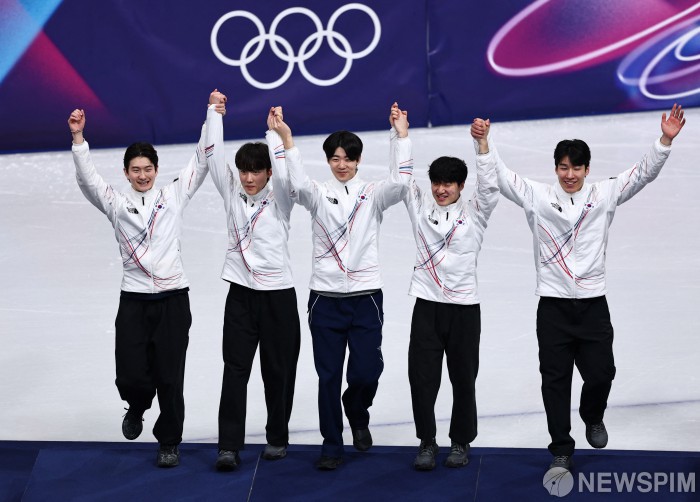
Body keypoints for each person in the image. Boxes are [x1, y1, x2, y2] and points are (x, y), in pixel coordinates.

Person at [471, 104, 686, 471]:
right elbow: (501, 177)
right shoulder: (538, 196)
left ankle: (592, 415)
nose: (569, 175)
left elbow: (641, 174)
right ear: (555, 168)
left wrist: (664, 141)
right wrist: (483, 144)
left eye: (576, 168)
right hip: (553, 307)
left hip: (592, 305)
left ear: (587, 169)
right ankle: (561, 447)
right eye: (563, 167)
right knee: (554, 382)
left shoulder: (604, 194)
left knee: (602, 374)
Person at [67, 93, 224, 467]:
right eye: (135, 170)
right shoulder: (116, 203)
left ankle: (169, 441)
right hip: (134, 301)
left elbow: (201, 160)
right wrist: (78, 139)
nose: (142, 175)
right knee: (130, 375)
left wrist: (212, 115)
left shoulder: (173, 195)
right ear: (125, 173)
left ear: (156, 169)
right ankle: (137, 406)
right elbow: (88, 181)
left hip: (172, 299)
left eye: (148, 169)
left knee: (170, 377)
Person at [267, 106, 406, 470]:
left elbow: (401, 183)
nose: (341, 165)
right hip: (325, 301)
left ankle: (357, 412)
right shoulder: (317, 193)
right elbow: (296, 184)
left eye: (348, 159)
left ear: (358, 161)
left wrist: (400, 136)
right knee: (328, 377)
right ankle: (332, 443)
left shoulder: (373, 193)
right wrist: (285, 139)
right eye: (335, 159)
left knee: (366, 372)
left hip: (365, 299)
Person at [389, 104, 499, 470]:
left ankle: (460, 441)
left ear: (461, 186)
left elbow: (490, 185)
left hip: (464, 309)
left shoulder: (475, 213)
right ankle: (426, 440)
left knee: (463, 379)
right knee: (421, 379)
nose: (440, 189)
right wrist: (401, 135)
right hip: (427, 306)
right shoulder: (421, 207)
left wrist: (482, 145)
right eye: (436, 182)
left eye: (448, 184)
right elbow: (403, 178)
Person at [204, 95, 301, 471]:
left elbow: (289, 174)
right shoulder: (232, 191)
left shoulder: (282, 198)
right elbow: (214, 156)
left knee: (279, 372)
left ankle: (277, 437)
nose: (247, 178)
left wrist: (275, 133)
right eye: (243, 171)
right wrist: (214, 114)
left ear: (267, 173)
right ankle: (228, 445)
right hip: (241, 296)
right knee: (235, 369)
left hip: (278, 297)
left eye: (255, 172)